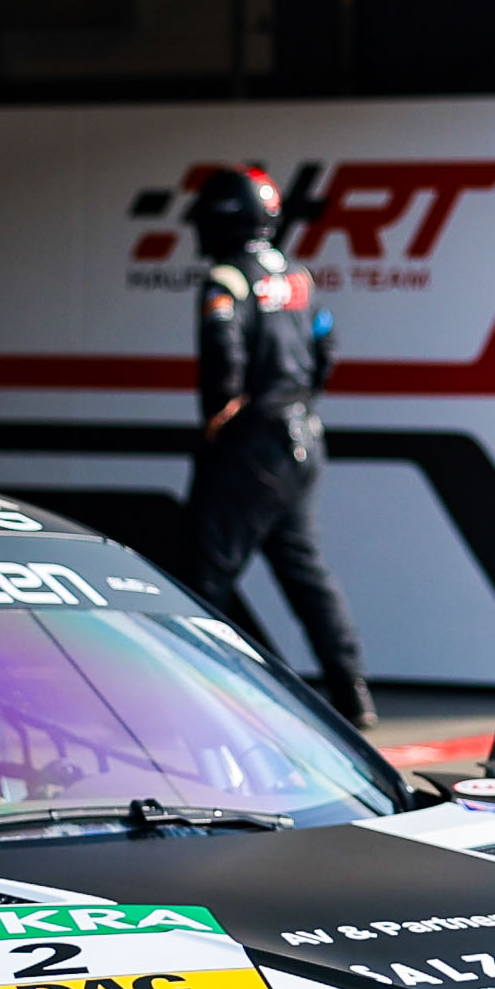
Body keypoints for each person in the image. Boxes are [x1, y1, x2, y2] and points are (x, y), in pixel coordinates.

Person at [186, 164, 370, 729]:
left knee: (204, 576)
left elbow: (223, 354)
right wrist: (298, 400)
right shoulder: (298, 275)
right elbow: (327, 347)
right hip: (303, 439)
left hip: (252, 445)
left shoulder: (227, 279)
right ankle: (353, 689)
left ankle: (197, 687)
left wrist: (222, 409)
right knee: (304, 572)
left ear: (223, 218)